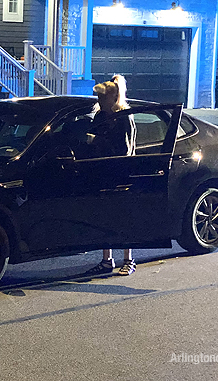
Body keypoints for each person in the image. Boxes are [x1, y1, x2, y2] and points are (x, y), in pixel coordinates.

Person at [84, 74, 137, 276]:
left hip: (120, 172)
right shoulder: (100, 116)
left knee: (122, 217)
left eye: (102, 98)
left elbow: (124, 148)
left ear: (113, 98)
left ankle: (128, 259)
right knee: (104, 216)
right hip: (102, 172)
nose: (98, 101)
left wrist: (97, 142)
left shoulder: (123, 116)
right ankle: (107, 260)